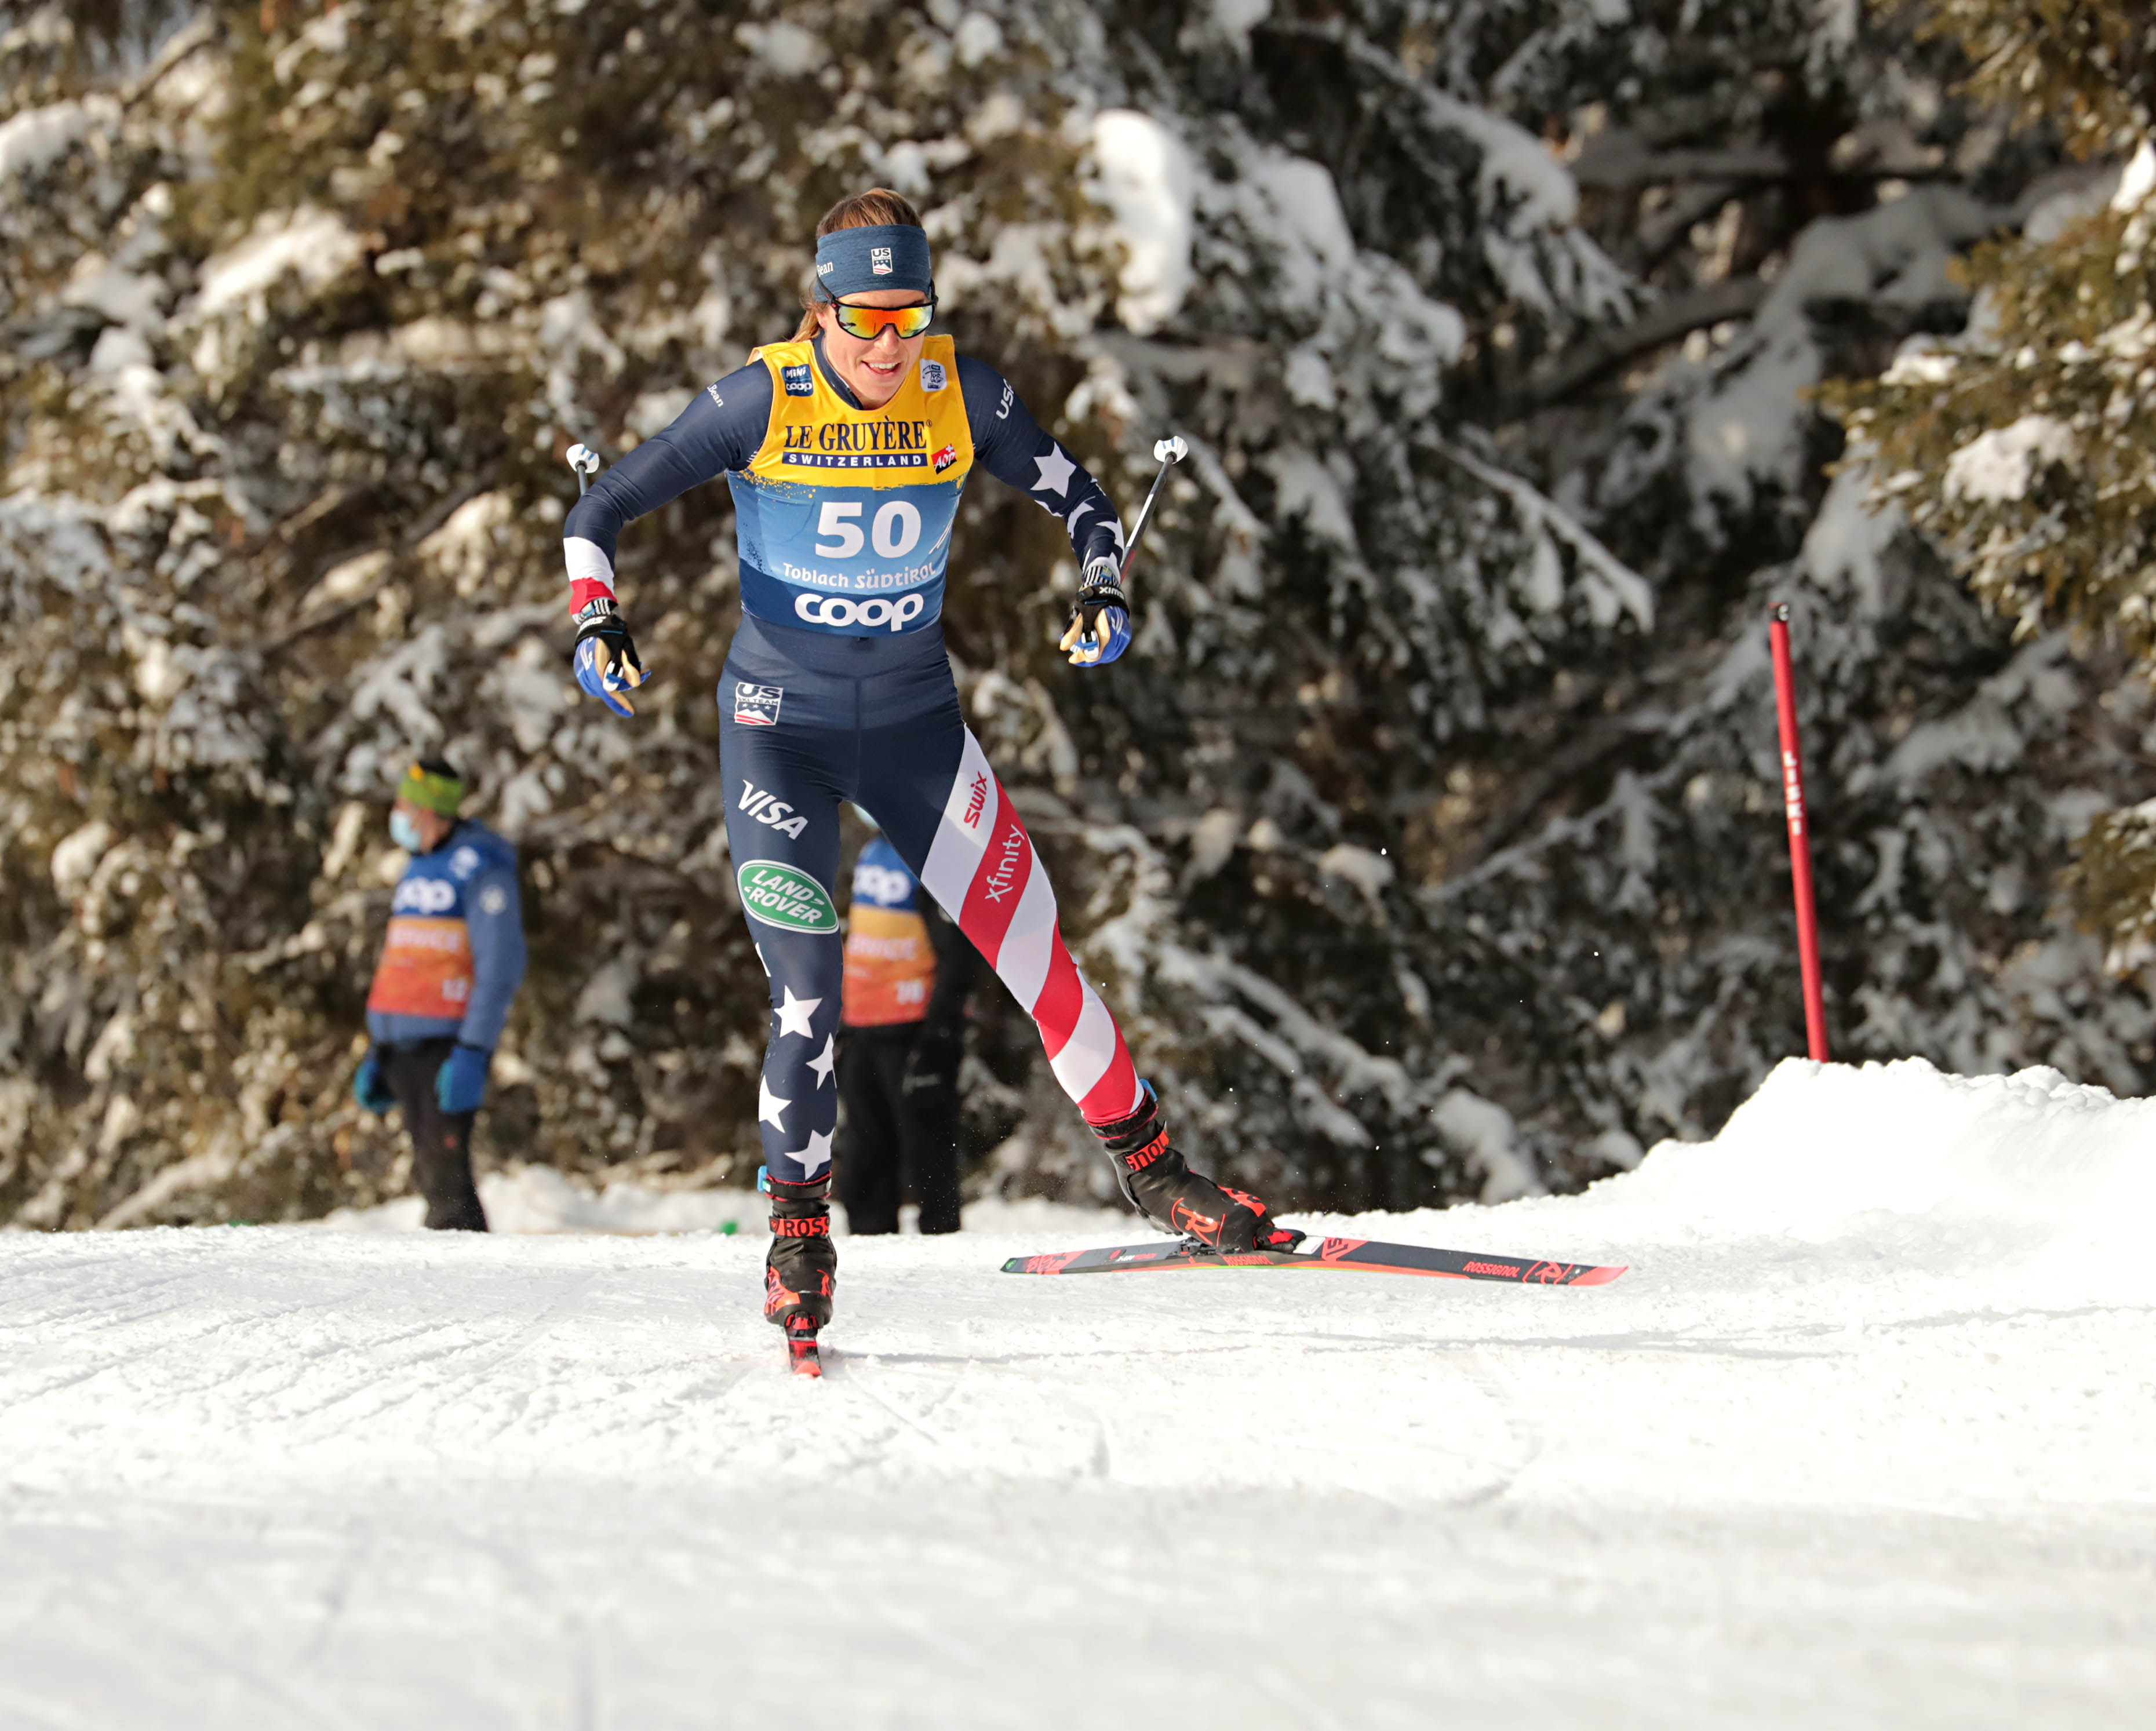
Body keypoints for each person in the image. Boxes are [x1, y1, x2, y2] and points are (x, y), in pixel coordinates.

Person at [560, 188, 1298, 1344]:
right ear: (821, 311)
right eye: (869, 321)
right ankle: (800, 1229)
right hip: (780, 731)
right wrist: (595, 615)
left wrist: (1106, 586)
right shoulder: (763, 396)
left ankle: (1158, 1172)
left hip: (915, 726)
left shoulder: (965, 392)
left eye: (913, 317)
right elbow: (602, 503)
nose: (893, 346)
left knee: (1034, 949)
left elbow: (1085, 500)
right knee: (809, 983)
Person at [351, 758, 527, 1231]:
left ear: (430, 811)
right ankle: (449, 1285)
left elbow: (502, 961)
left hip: (447, 1048)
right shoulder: (420, 867)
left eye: (406, 805)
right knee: (430, 1176)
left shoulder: (480, 866)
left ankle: (465, 1288)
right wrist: (380, 1047)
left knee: (449, 1185)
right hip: (403, 1048)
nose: (398, 814)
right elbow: (405, 960)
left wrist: (473, 1050)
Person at [835, 826, 977, 1236]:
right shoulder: (873, 849)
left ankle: (942, 1256)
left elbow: (959, 953)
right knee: (864, 1157)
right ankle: (869, 1255)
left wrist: (941, 1034)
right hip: (862, 1027)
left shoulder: (935, 855)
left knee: (929, 1154)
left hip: (915, 1030)